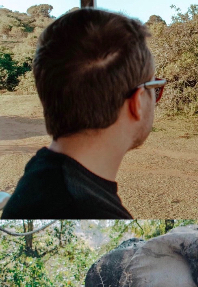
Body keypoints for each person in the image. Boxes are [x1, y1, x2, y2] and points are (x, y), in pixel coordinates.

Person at [1, 8, 165, 219]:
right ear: (137, 102)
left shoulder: (41, 176)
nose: (156, 96)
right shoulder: (87, 209)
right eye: (156, 88)